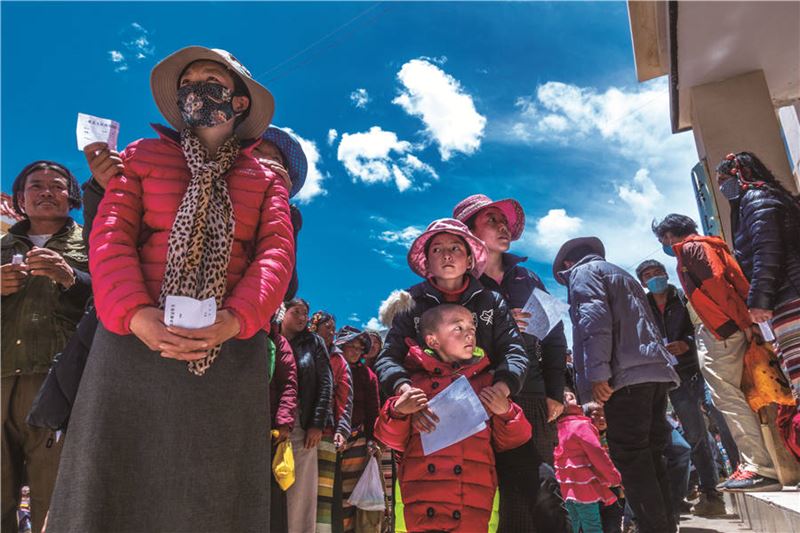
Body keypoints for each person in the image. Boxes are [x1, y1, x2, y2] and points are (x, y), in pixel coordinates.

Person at [46, 46, 294, 532]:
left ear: (238, 101)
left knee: (215, 485)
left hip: (227, 346)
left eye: (209, 79)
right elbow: (112, 235)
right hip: (134, 340)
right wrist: (135, 314)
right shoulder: (139, 157)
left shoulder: (268, 180)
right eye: (187, 83)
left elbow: (276, 256)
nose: (195, 89)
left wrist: (237, 319)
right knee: (116, 474)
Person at [454, 194, 568, 531]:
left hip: (532, 397)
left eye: (504, 222)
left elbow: (554, 336)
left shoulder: (527, 278)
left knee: (540, 488)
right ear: (469, 231)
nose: (503, 227)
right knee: (494, 493)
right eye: (491, 220)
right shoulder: (462, 287)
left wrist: (555, 393)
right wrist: (495, 327)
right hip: (481, 399)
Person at [553, 236, 679, 533]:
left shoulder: (584, 274)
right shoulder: (621, 275)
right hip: (653, 375)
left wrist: (598, 375)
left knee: (633, 462)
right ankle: (665, 526)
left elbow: (594, 324)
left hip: (624, 380)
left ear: (568, 265)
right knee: (652, 457)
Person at [374, 304, 532, 532]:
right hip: (421, 503)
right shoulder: (412, 384)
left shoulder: (488, 383)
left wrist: (505, 410)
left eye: (472, 327)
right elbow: (390, 439)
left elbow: (514, 439)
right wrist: (398, 410)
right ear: (433, 341)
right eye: (458, 328)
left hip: (473, 503)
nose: (470, 333)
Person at [652, 214, 781, 491]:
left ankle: (759, 466)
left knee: (728, 398)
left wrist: (746, 324)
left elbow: (720, 288)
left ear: (667, 235)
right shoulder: (708, 245)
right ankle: (760, 463)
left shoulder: (691, 249)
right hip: (729, 327)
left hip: (721, 330)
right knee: (739, 396)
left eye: (662, 238)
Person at [1, 161, 91, 533]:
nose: (46, 192)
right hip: (3, 374)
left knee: (54, 494)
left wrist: (72, 278)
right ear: (20, 199)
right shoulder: (3, 245)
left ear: (71, 198)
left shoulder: (92, 242)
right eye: (35, 186)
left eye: (56, 186)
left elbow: (111, 300)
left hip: (60, 382)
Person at [373, 218, 529, 427]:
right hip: (426, 414)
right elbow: (389, 357)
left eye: (455, 248)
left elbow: (514, 351)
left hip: (485, 411)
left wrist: (500, 391)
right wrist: (407, 393)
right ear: (427, 263)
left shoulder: (491, 301)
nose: (447, 255)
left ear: (469, 261)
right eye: (437, 250)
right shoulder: (410, 302)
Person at [635, 259, 727, 515]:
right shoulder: (643, 307)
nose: (655, 278)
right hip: (674, 379)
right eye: (648, 275)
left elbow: (700, 326)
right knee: (695, 435)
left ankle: (741, 474)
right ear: (643, 282)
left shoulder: (684, 298)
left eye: (658, 273)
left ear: (666, 274)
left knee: (721, 416)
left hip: (701, 368)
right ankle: (711, 493)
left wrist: (686, 343)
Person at [716, 152, 800, 402]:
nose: (722, 186)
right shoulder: (768, 197)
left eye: (724, 179)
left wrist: (759, 300)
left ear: (741, 174)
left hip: (790, 298)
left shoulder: (754, 199)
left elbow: (767, 249)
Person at [281, 298, 334, 533]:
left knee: (300, 492)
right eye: (296, 312)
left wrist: (316, 424)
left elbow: (326, 384)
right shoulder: (269, 338)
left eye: (305, 313)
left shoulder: (314, 343)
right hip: (269, 424)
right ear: (283, 311)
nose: (302, 317)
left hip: (302, 427)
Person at [310, 311, 354, 533]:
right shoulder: (303, 349)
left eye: (333, 327)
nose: (331, 331)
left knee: (324, 494)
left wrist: (341, 430)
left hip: (327, 432)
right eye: (327, 326)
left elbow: (344, 397)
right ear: (315, 326)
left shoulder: (338, 360)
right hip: (299, 429)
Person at [334, 326, 381, 533]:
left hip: (357, 440)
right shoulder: (330, 368)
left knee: (350, 493)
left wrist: (372, 439)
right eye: (349, 346)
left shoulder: (367, 376)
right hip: (329, 437)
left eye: (358, 348)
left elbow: (373, 411)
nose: (353, 352)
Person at [555, 390, 621, 533]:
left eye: (571, 396)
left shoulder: (557, 427)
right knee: (592, 526)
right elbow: (598, 454)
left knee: (574, 525)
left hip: (566, 487)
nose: (568, 398)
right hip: (584, 486)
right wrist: (614, 477)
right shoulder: (582, 425)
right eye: (566, 397)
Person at [270, 323, 299, 533]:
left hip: (270, 429)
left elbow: (288, 384)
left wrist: (283, 423)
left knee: (272, 491)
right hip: (235, 423)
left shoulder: (278, 343)